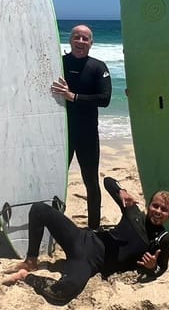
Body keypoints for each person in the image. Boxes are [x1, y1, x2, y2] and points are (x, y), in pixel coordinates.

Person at [0, 177, 169, 305]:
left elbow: (161, 268)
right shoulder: (132, 211)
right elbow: (107, 181)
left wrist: (152, 268)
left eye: (164, 209)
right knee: (39, 209)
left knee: (63, 292)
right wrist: (120, 190)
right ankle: (31, 261)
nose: (158, 211)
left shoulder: (163, 241)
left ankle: (26, 276)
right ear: (148, 205)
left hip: (89, 262)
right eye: (155, 206)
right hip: (81, 238)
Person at [50, 24, 112, 231]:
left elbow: (104, 99)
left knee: (91, 182)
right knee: (55, 181)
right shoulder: (57, 63)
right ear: (70, 40)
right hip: (60, 134)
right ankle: (52, 225)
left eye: (85, 39)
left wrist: (73, 97)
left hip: (86, 134)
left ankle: (94, 229)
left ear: (91, 43)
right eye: (77, 37)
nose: (81, 42)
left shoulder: (98, 67)